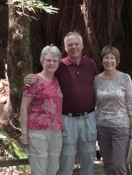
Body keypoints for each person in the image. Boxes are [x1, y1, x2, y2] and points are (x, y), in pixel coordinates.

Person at [24, 32, 98, 175]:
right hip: (67, 119)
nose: (74, 47)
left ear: (82, 45)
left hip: (89, 118)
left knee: (89, 158)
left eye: (76, 43)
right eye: (70, 44)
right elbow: (44, 77)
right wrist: (27, 79)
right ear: (65, 47)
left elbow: (99, 85)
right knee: (66, 160)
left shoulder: (90, 64)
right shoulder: (60, 65)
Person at [94, 46, 132, 175]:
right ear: (102, 60)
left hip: (121, 127)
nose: (109, 61)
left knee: (119, 165)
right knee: (108, 164)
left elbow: (130, 103)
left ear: (117, 61)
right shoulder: (96, 80)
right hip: (102, 127)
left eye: (112, 58)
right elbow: (92, 102)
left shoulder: (125, 78)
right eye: (106, 58)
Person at [20, 45, 63, 175]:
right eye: (48, 60)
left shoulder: (56, 80)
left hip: (56, 131)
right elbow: (23, 107)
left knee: (52, 169)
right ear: (42, 61)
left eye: (55, 61)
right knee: (39, 169)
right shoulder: (34, 80)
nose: (51, 63)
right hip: (38, 131)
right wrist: (24, 134)